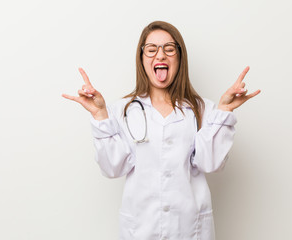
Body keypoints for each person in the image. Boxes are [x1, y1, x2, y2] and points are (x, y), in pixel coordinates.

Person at [62, 21, 260, 240]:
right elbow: (112, 168)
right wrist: (100, 116)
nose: (160, 55)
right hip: (140, 229)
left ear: (179, 57)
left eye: (169, 48)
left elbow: (210, 163)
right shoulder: (122, 111)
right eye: (151, 49)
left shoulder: (204, 109)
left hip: (190, 230)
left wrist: (224, 111)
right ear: (142, 58)